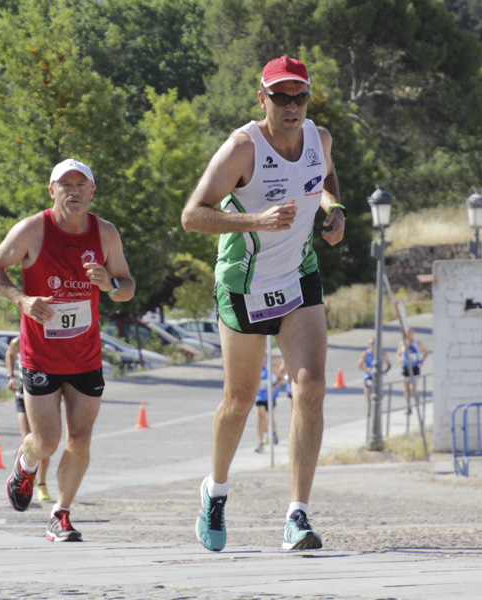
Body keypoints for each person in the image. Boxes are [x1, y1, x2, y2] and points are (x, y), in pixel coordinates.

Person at [180, 55, 345, 552]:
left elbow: (325, 182)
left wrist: (335, 210)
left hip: (299, 276)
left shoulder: (321, 140)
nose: (292, 106)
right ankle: (216, 489)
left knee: (311, 386)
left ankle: (298, 514)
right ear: (262, 99)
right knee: (239, 401)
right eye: (281, 97)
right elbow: (192, 215)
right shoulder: (242, 148)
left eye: (300, 96)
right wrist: (255, 221)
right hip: (245, 283)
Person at [0, 157, 135, 542]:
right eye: (65, 185)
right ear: (52, 191)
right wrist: (22, 299)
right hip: (41, 356)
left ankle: (60, 514)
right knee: (47, 441)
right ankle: (26, 460)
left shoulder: (105, 233)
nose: (73, 191)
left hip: (85, 355)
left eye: (80, 184)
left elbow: (127, 287)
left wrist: (109, 285)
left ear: (92, 191)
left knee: (80, 440)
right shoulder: (32, 230)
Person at [6, 334, 50, 502]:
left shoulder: (49, 338)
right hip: (23, 396)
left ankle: (42, 484)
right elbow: (9, 353)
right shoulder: (18, 341)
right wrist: (11, 376)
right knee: (28, 440)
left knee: (45, 442)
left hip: (46, 398)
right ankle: (26, 476)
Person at [254, 354, 286, 453]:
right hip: (259, 396)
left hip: (270, 396)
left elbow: (281, 378)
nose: (262, 361)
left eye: (263, 358)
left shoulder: (271, 367)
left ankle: (274, 433)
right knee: (260, 417)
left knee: (269, 418)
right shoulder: (255, 368)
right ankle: (261, 443)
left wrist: (274, 386)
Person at [397, 329, 428, 412]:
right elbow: (398, 353)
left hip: (415, 368)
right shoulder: (402, 343)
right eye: (406, 333)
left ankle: (417, 394)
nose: (408, 335)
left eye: (409, 333)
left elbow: (426, 352)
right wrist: (399, 359)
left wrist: (421, 361)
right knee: (405, 388)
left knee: (411, 388)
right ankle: (408, 406)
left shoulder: (417, 343)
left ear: (412, 334)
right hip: (405, 367)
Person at [357, 338, 391, 406]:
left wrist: (385, 371)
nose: (372, 345)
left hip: (378, 376)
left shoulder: (382, 353)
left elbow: (389, 364)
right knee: (368, 390)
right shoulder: (365, 353)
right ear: (368, 345)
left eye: (374, 344)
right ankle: (369, 407)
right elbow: (359, 365)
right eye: (371, 344)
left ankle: (376, 407)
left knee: (376, 393)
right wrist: (366, 369)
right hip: (369, 375)